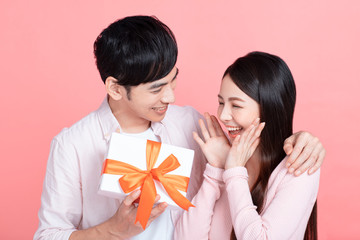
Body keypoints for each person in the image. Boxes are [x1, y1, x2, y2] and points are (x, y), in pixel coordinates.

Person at [34, 16, 325, 240]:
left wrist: (303, 140)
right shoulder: (72, 145)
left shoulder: (190, 123)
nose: (171, 97)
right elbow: (48, 235)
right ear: (115, 88)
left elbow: (256, 145)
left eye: (173, 79)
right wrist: (112, 230)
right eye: (157, 88)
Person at [174, 51, 323, 240]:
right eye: (221, 102)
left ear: (269, 108)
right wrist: (215, 172)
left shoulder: (298, 168)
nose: (223, 115)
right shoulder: (226, 160)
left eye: (236, 106)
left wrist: (234, 172)